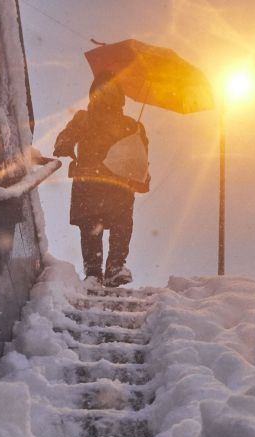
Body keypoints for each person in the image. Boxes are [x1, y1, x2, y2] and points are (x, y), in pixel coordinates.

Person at [53, 73, 150, 287]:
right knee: (103, 225)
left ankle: (105, 270)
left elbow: (140, 160)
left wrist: (65, 144)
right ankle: (101, 270)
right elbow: (65, 137)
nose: (108, 95)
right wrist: (65, 143)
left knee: (109, 225)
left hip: (104, 183)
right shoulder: (90, 119)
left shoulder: (128, 125)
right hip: (102, 183)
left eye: (112, 90)